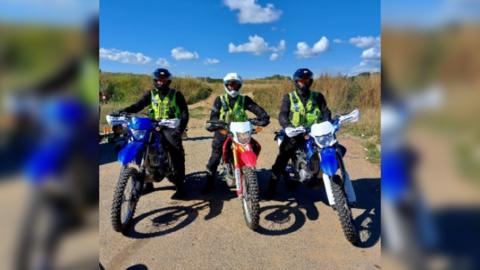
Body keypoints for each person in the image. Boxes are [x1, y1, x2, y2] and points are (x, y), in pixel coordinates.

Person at [114, 68, 189, 199]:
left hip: (169, 126)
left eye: (164, 80)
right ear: (155, 80)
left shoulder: (176, 94)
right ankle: (148, 183)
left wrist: (179, 129)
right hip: (152, 125)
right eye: (159, 80)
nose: (161, 82)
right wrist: (122, 111)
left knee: (175, 151)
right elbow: (138, 105)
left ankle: (180, 185)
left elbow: (184, 113)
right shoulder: (151, 94)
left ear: (168, 81)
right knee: (144, 148)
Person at [266, 68, 332, 198]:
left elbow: (326, 112)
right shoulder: (289, 97)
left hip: (315, 132)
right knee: (282, 158)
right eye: (301, 81)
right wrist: (288, 127)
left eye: (306, 81)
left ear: (310, 81)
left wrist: (327, 123)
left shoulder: (318, 96)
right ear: (296, 82)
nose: (304, 83)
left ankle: (324, 177)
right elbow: (283, 114)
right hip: (294, 133)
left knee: (330, 147)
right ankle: (271, 187)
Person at [203, 72, 270, 194]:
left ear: (239, 86)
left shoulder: (245, 100)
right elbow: (213, 116)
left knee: (254, 147)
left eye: (235, 85)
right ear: (226, 85)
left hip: (241, 132)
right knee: (216, 156)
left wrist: (263, 117)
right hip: (224, 131)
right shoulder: (220, 100)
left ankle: (249, 171)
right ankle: (209, 182)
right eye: (230, 85)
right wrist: (215, 124)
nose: (233, 87)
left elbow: (258, 110)